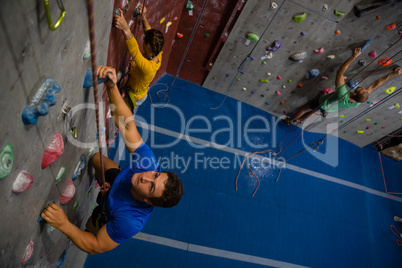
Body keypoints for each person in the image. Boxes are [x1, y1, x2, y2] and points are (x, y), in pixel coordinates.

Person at [41, 66, 183, 254]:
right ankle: (104, 189)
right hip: (115, 184)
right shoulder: (147, 164)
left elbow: (96, 246)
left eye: (151, 187)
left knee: (92, 225)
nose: (145, 177)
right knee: (96, 159)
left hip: (109, 214)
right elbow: (127, 125)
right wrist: (111, 86)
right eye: (155, 175)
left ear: (148, 201)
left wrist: (64, 224)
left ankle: (100, 209)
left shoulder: (129, 221)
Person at [285, 47, 402, 124]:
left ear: (355, 93)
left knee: (304, 108)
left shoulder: (343, 94)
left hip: (322, 102)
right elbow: (375, 84)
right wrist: (392, 74)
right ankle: (299, 120)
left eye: (360, 89)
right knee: (312, 112)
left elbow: (340, 73)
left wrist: (353, 57)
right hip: (327, 108)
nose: (362, 87)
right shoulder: (356, 102)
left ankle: (290, 120)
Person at [114, 5, 164, 114]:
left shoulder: (148, 68)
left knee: (122, 114)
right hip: (137, 90)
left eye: (144, 41)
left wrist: (125, 28)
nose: (143, 41)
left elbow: (135, 51)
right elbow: (149, 32)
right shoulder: (158, 52)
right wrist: (144, 17)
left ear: (148, 46)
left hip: (135, 96)